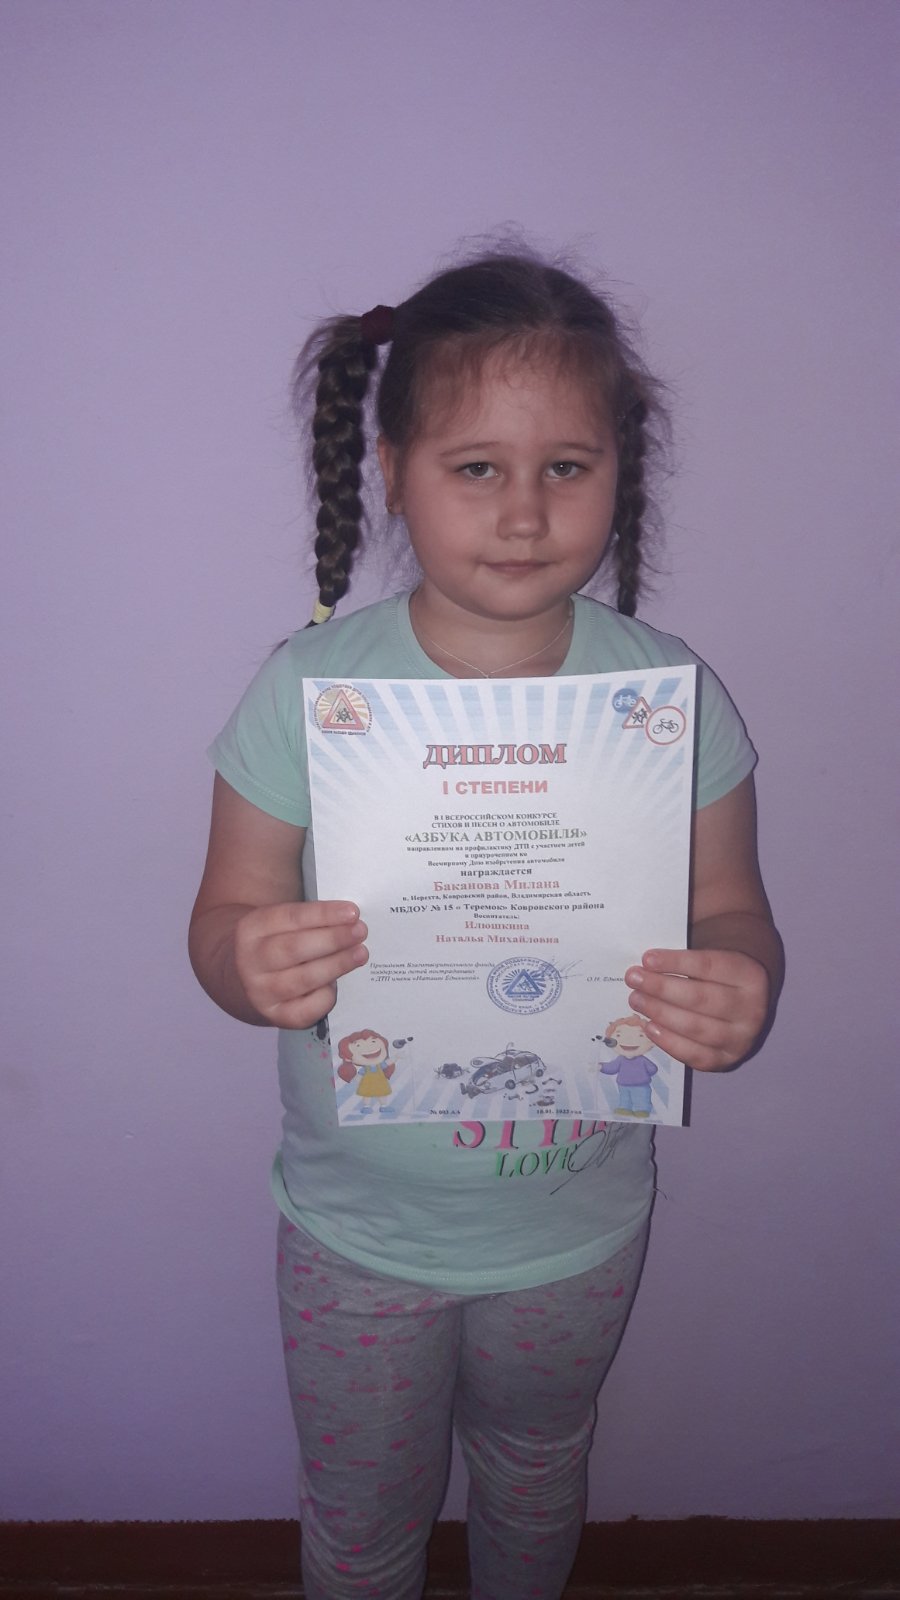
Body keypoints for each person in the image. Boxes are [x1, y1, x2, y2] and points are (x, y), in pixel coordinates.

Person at [189, 249, 783, 1600]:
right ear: (392, 469)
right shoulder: (307, 690)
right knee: (361, 1517)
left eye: (567, 466)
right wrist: (247, 960)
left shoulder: (669, 696)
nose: (524, 513)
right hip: (358, 1234)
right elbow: (223, 914)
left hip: (576, 1228)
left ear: (620, 472)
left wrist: (737, 980)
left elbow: (733, 906)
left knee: (537, 1465)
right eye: (476, 467)